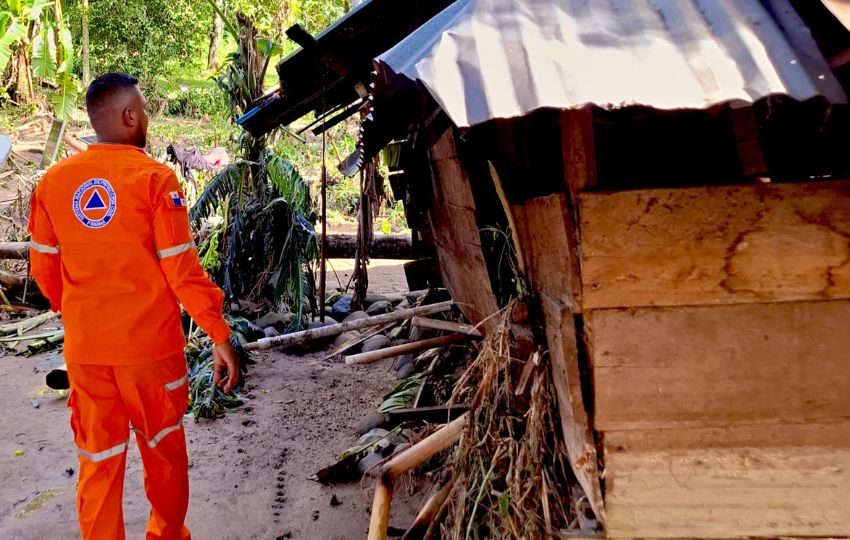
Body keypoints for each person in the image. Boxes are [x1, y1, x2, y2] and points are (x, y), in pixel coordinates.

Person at [27, 73, 240, 540]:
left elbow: (43, 271)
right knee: (162, 452)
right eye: (143, 109)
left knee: (98, 461)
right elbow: (182, 272)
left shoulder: (53, 182)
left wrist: (82, 313)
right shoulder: (155, 179)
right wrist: (218, 335)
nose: (146, 117)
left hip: (87, 352)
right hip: (150, 353)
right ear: (128, 117)